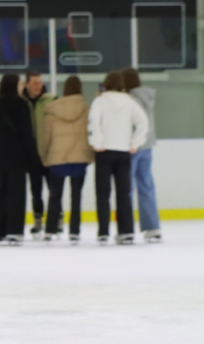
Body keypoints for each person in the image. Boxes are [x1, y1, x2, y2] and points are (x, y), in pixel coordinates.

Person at [87, 71, 149, 245]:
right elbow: (143, 123)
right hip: (123, 151)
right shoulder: (130, 102)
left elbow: (93, 122)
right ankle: (126, 231)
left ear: (105, 84)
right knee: (124, 193)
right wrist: (135, 143)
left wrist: (96, 142)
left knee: (102, 193)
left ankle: (103, 232)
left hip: (104, 151)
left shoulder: (99, 101)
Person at [0, 74, 40, 246]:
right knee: (16, 194)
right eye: (21, 83)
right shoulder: (21, 105)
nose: (22, 86)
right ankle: (15, 230)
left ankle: (2, 229)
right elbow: (26, 133)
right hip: (17, 158)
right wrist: (32, 156)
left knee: (1, 193)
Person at [40, 76, 94, 244]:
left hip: (57, 157)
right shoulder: (86, 109)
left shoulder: (52, 110)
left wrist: (44, 155)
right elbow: (90, 133)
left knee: (54, 195)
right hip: (79, 157)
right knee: (76, 196)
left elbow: (45, 137)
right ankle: (74, 232)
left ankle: (49, 230)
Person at [122, 68, 162, 243]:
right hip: (147, 146)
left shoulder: (129, 100)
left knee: (126, 189)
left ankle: (127, 227)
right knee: (146, 186)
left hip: (132, 146)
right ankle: (153, 227)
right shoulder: (148, 97)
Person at [22, 71, 57, 238]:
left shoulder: (51, 100)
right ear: (26, 84)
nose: (38, 86)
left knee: (53, 188)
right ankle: (38, 220)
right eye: (34, 82)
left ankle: (56, 219)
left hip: (50, 152)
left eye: (40, 82)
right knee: (36, 190)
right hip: (31, 154)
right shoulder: (21, 102)